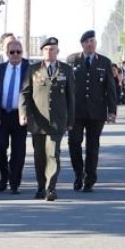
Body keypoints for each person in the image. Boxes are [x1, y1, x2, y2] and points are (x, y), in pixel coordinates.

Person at [20, 37, 75, 201]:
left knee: (53, 154)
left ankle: (50, 188)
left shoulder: (66, 69)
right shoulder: (33, 69)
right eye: (46, 49)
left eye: (52, 49)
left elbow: (70, 97)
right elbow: (25, 93)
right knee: (39, 156)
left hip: (57, 120)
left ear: (57, 51)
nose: (49, 52)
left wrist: (70, 121)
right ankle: (40, 186)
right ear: (42, 51)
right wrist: (23, 113)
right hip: (38, 120)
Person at [65, 29, 117, 192]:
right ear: (82, 44)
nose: (90, 44)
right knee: (74, 142)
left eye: (92, 41)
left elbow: (110, 88)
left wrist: (112, 110)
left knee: (93, 146)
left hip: (97, 111)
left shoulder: (104, 62)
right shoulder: (72, 60)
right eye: (87, 41)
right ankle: (78, 174)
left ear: (95, 44)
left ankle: (90, 179)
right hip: (76, 111)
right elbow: (65, 86)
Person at [0, 37, 30, 193]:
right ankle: (4, 174)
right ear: (7, 53)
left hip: (20, 115)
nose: (15, 55)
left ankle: (14, 183)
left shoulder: (30, 68)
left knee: (18, 151)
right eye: (12, 52)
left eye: (18, 52)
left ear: (22, 53)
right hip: (1, 114)